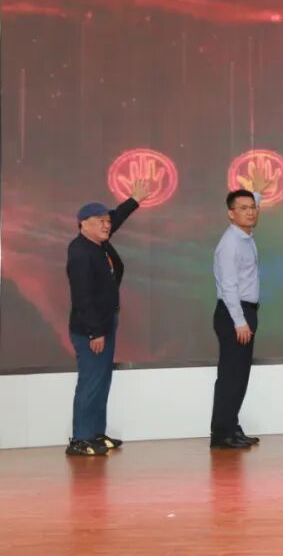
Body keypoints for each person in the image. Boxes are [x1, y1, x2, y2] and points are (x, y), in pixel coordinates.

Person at [65, 179, 150, 456]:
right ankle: (80, 438)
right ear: (83, 224)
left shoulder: (98, 242)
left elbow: (117, 217)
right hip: (91, 329)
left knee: (102, 380)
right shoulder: (80, 251)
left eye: (107, 221)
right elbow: (82, 297)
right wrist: (95, 332)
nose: (106, 225)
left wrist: (134, 200)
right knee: (91, 381)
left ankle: (96, 434)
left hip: (105, 322)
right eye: (100, 221)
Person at [209, 170, 268, 450]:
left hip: (245, 313)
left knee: (240, 376)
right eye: (243, 208)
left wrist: (257, 193)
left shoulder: (244, 236)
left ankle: (231, 426)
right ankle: (222, 434)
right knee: (231, 377)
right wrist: (239, 321)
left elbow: (251, 206)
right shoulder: (230, 244)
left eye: (253, 207)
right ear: (230, 214)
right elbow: (229, 286)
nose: (251, 212)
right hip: (235, 314)